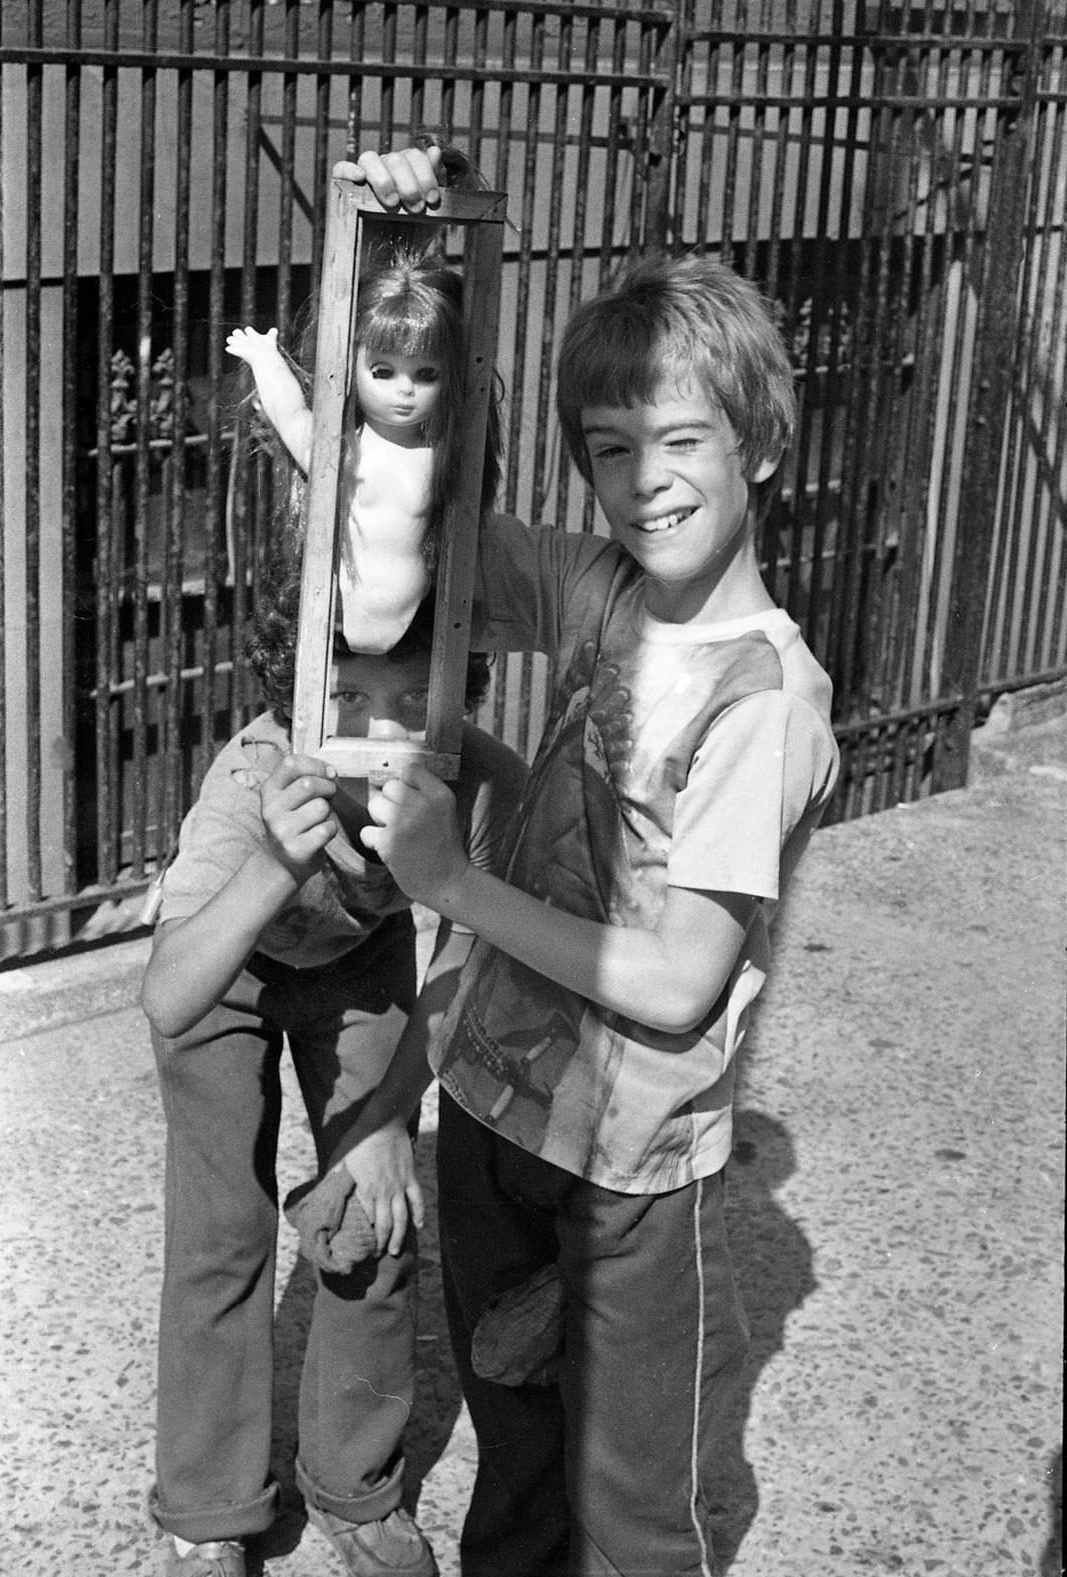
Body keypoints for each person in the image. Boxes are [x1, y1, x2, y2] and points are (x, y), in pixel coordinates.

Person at [336, 144, 841, 1576]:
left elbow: (683, 983)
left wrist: (455, 887)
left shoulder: (766, 696)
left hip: (631, 1173)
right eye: (609, 448)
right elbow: (412, 507)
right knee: (518, 1450)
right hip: (500, 1118)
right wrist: (407, 249)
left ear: (758, 444)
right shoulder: (602, 590)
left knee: (630, 1513)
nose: (642, 480)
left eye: (679, 439)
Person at [140, 567, 528, 1577]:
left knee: (376, 1211)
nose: (384, 731)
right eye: (348, 698)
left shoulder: (479, 778)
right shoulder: (254, 777)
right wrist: (274, 859)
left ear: (458, 689)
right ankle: (206, 1506)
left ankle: (354, 1486)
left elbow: (467, 955)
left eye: (414, 698)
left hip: (358, 955)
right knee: (221, 1230)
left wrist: (389, 1117)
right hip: (230, 959)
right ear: (298, 688)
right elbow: (171, 995)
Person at [226, 250, 497, 657]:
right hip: (339, 606)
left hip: (418, 613)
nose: (404, 390)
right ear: (352, 368)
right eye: (383, 371)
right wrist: (265, 357)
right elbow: (293, 415)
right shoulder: (341, 454)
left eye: (426, 374)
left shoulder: (444, 453)